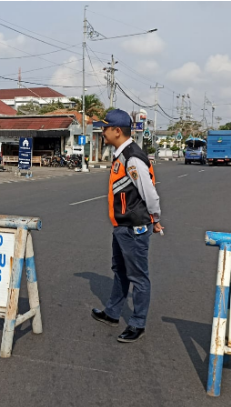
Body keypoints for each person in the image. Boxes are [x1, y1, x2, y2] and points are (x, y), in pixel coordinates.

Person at [90, 109, 164, 343]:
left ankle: (137, 323)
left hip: (134, 227)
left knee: (138, 276)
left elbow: (150, 193)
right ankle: (112, 313)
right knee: (120, 271)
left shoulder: (132, 158)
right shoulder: (122, 154)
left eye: (105, 128)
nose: (102, 132)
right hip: (122, 226)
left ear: (117, 131)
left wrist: (156, 218)